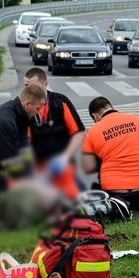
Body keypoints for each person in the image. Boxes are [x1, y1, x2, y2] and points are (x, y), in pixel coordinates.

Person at [81, 96, 139, 212]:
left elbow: (87, 168)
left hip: (115, 197)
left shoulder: (92, 132)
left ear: (95, 116)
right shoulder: (137, 120)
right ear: (112, 107)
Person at [0, 84, 48, 190]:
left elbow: (23, 148)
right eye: (38, 108)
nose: (39, 113)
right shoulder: (4, 119)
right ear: (27, 104)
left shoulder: (22, 115)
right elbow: (9, 161)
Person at [22, 67, 86, 198]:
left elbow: (78, 133)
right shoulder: (24, 106)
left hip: (63, 167)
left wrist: (64, 157)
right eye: (26, 86)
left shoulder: (60, 102)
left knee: (76, 201)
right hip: (37, 169)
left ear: (45, 84)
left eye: (33, 86)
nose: (29, 91)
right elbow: (24, 140)